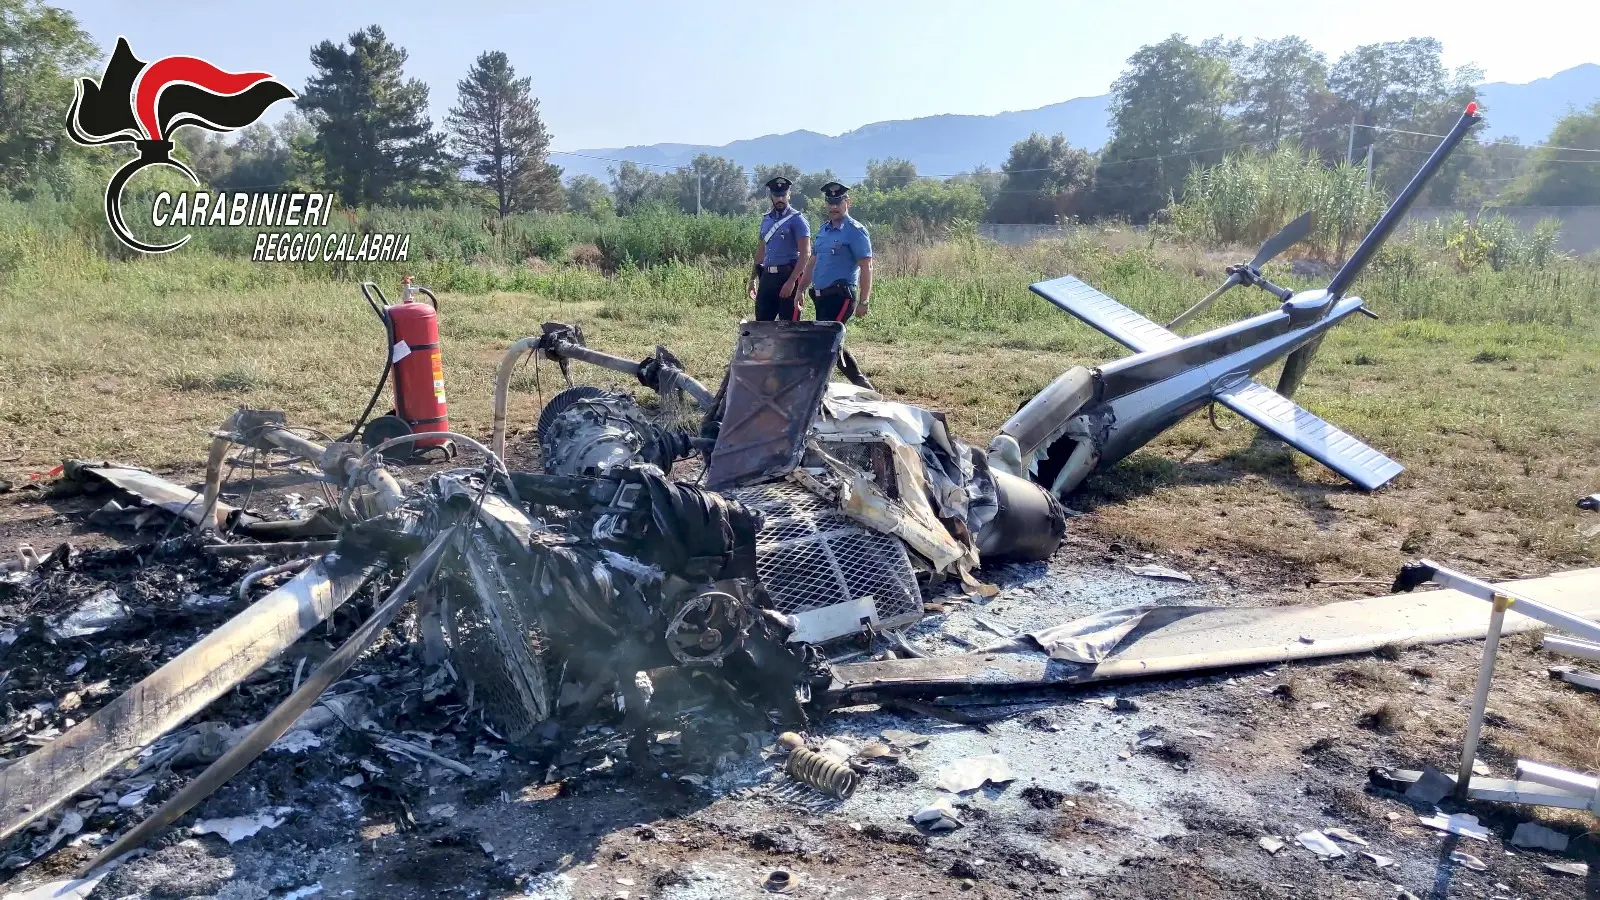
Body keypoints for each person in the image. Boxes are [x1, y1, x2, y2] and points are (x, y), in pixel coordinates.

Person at [801, 181, 874, 388]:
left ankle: (815, 389)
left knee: (826, 342)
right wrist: (801, 289)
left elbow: (866, 267)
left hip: (842, 295)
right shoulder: (824, 230)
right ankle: (862, 387)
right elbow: (812, 262)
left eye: (838, 202)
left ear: (847, 203)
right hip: (821, 296)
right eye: (830, 202)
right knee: (833, 344)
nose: (834, 207)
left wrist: (864, 300)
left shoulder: (855, 231)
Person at [748, 176, 811, 321]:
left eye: (783, 195)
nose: (780, 199)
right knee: (762, 324)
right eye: (776, 195)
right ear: (771, 196)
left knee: (789, 327)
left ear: (789, 195)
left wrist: (792, 281)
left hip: (788, 275)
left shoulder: (798, 220)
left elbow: (806, 253)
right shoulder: (766, 219)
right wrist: (752, 279)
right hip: (767, 276)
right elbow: (761, 251)